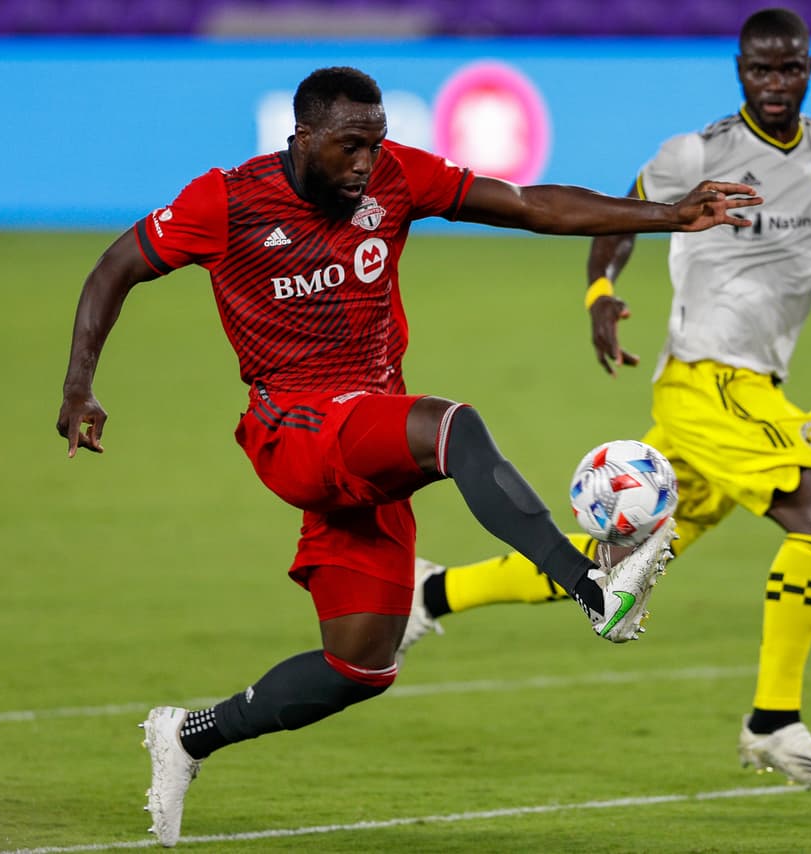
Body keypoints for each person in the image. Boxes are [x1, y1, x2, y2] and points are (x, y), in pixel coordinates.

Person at [55, 66, 760, 846]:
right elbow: (115, 266)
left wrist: (670, 215)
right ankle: (593, 586)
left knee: (360, 664)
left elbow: (528, 205)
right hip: (295, 428)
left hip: (365, 433)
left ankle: (188, 735)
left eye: (375, 144)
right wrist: (78, 388)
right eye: (349, 147)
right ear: (303, 137)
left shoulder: (393, 178)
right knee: (451, 427)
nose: (365, 163)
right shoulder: (225, 202)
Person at [398, 8, 811, 790]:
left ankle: (429, 591)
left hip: (751, 386)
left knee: (609, 561)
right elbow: (619, 215)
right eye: (759, 70)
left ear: (807, 68)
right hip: (707, 377)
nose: (774, 83)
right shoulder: (698, 151)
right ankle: (774, 721)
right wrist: (601, 289)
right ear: (739, 70)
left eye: (788, 68)